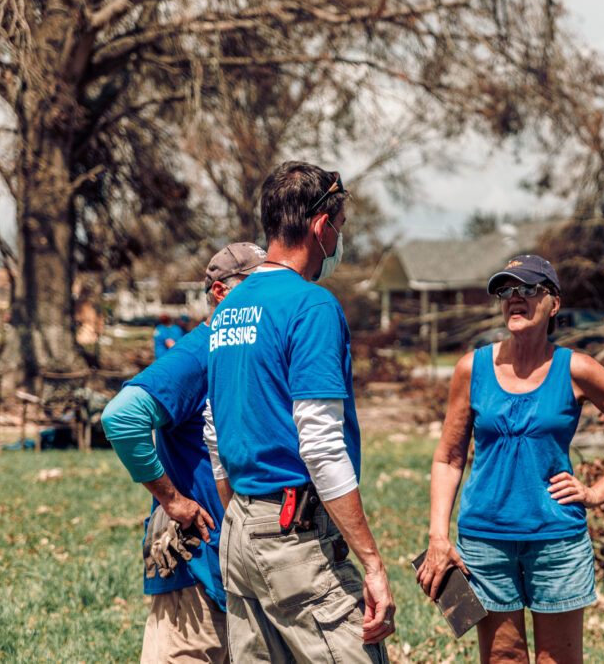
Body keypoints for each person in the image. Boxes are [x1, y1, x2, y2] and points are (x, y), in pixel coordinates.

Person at [416, 255, 604, 664]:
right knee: (504, 660)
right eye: (506, 290)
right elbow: (448, 458)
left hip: (556, 542)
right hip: (485, 541)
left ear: (553, 303)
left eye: (529, 289)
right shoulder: (471, 368)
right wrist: (438, 537)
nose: (516, 298)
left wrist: (598, 491)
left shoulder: (577, 369)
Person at [207, 161, 395, 662]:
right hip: (295, 533)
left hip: (240, 531)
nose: (339, 238)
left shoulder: (229, 308)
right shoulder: (311, 306)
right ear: (321, 226)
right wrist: (372, 564)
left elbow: (214, 432)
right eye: (340, 226)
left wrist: (241, 520)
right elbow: (320, 443)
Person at [101, 242, 267, 664]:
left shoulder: (246, 353)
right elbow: (122, 418)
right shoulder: (200, 351)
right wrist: (171, 501)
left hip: (240, 564)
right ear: (221, 293)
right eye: (256, 287)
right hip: (196, 564)